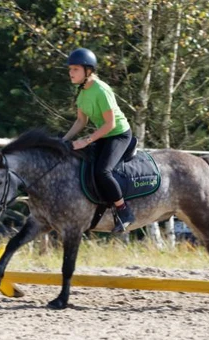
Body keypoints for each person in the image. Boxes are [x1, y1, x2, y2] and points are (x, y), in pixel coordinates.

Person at [63, 48, 135, 232]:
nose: (71, 73)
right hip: (103, 135)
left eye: (75, 69)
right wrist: (63, 140)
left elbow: (110, 124)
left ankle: (124, 210)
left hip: (118, 134)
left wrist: (85, 141)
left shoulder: (101, 90)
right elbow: (81, 121)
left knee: (103, 171)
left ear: (88, 71)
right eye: (70, 69)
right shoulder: (81, 92)